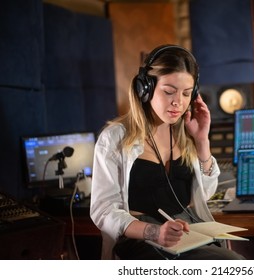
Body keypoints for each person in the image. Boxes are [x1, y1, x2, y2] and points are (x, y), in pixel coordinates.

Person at [90, 44, 245, 260]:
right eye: (169, 91)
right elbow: (103, 211)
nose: (178, 102)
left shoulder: (186, 132)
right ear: (145, 88)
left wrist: (201, 141)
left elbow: (205, 194)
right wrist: (154, 232)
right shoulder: (114, 138)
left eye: (186, 94)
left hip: (185, 230)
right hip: (140, 237)